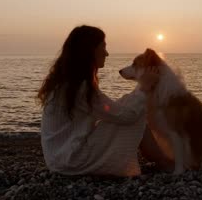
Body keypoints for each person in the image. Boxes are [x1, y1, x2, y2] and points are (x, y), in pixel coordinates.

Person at [38, 25, 172, 176]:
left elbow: (112, 109)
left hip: (60, 157)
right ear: (89, 50)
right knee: (135, 115)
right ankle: (165, 162)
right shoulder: (79, 87)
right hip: (71, 160)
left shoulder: (68, 83)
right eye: (103, 47)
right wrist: (145, 86)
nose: (107, 53)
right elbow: (127, 116)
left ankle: (163, 159)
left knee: (129, 110)